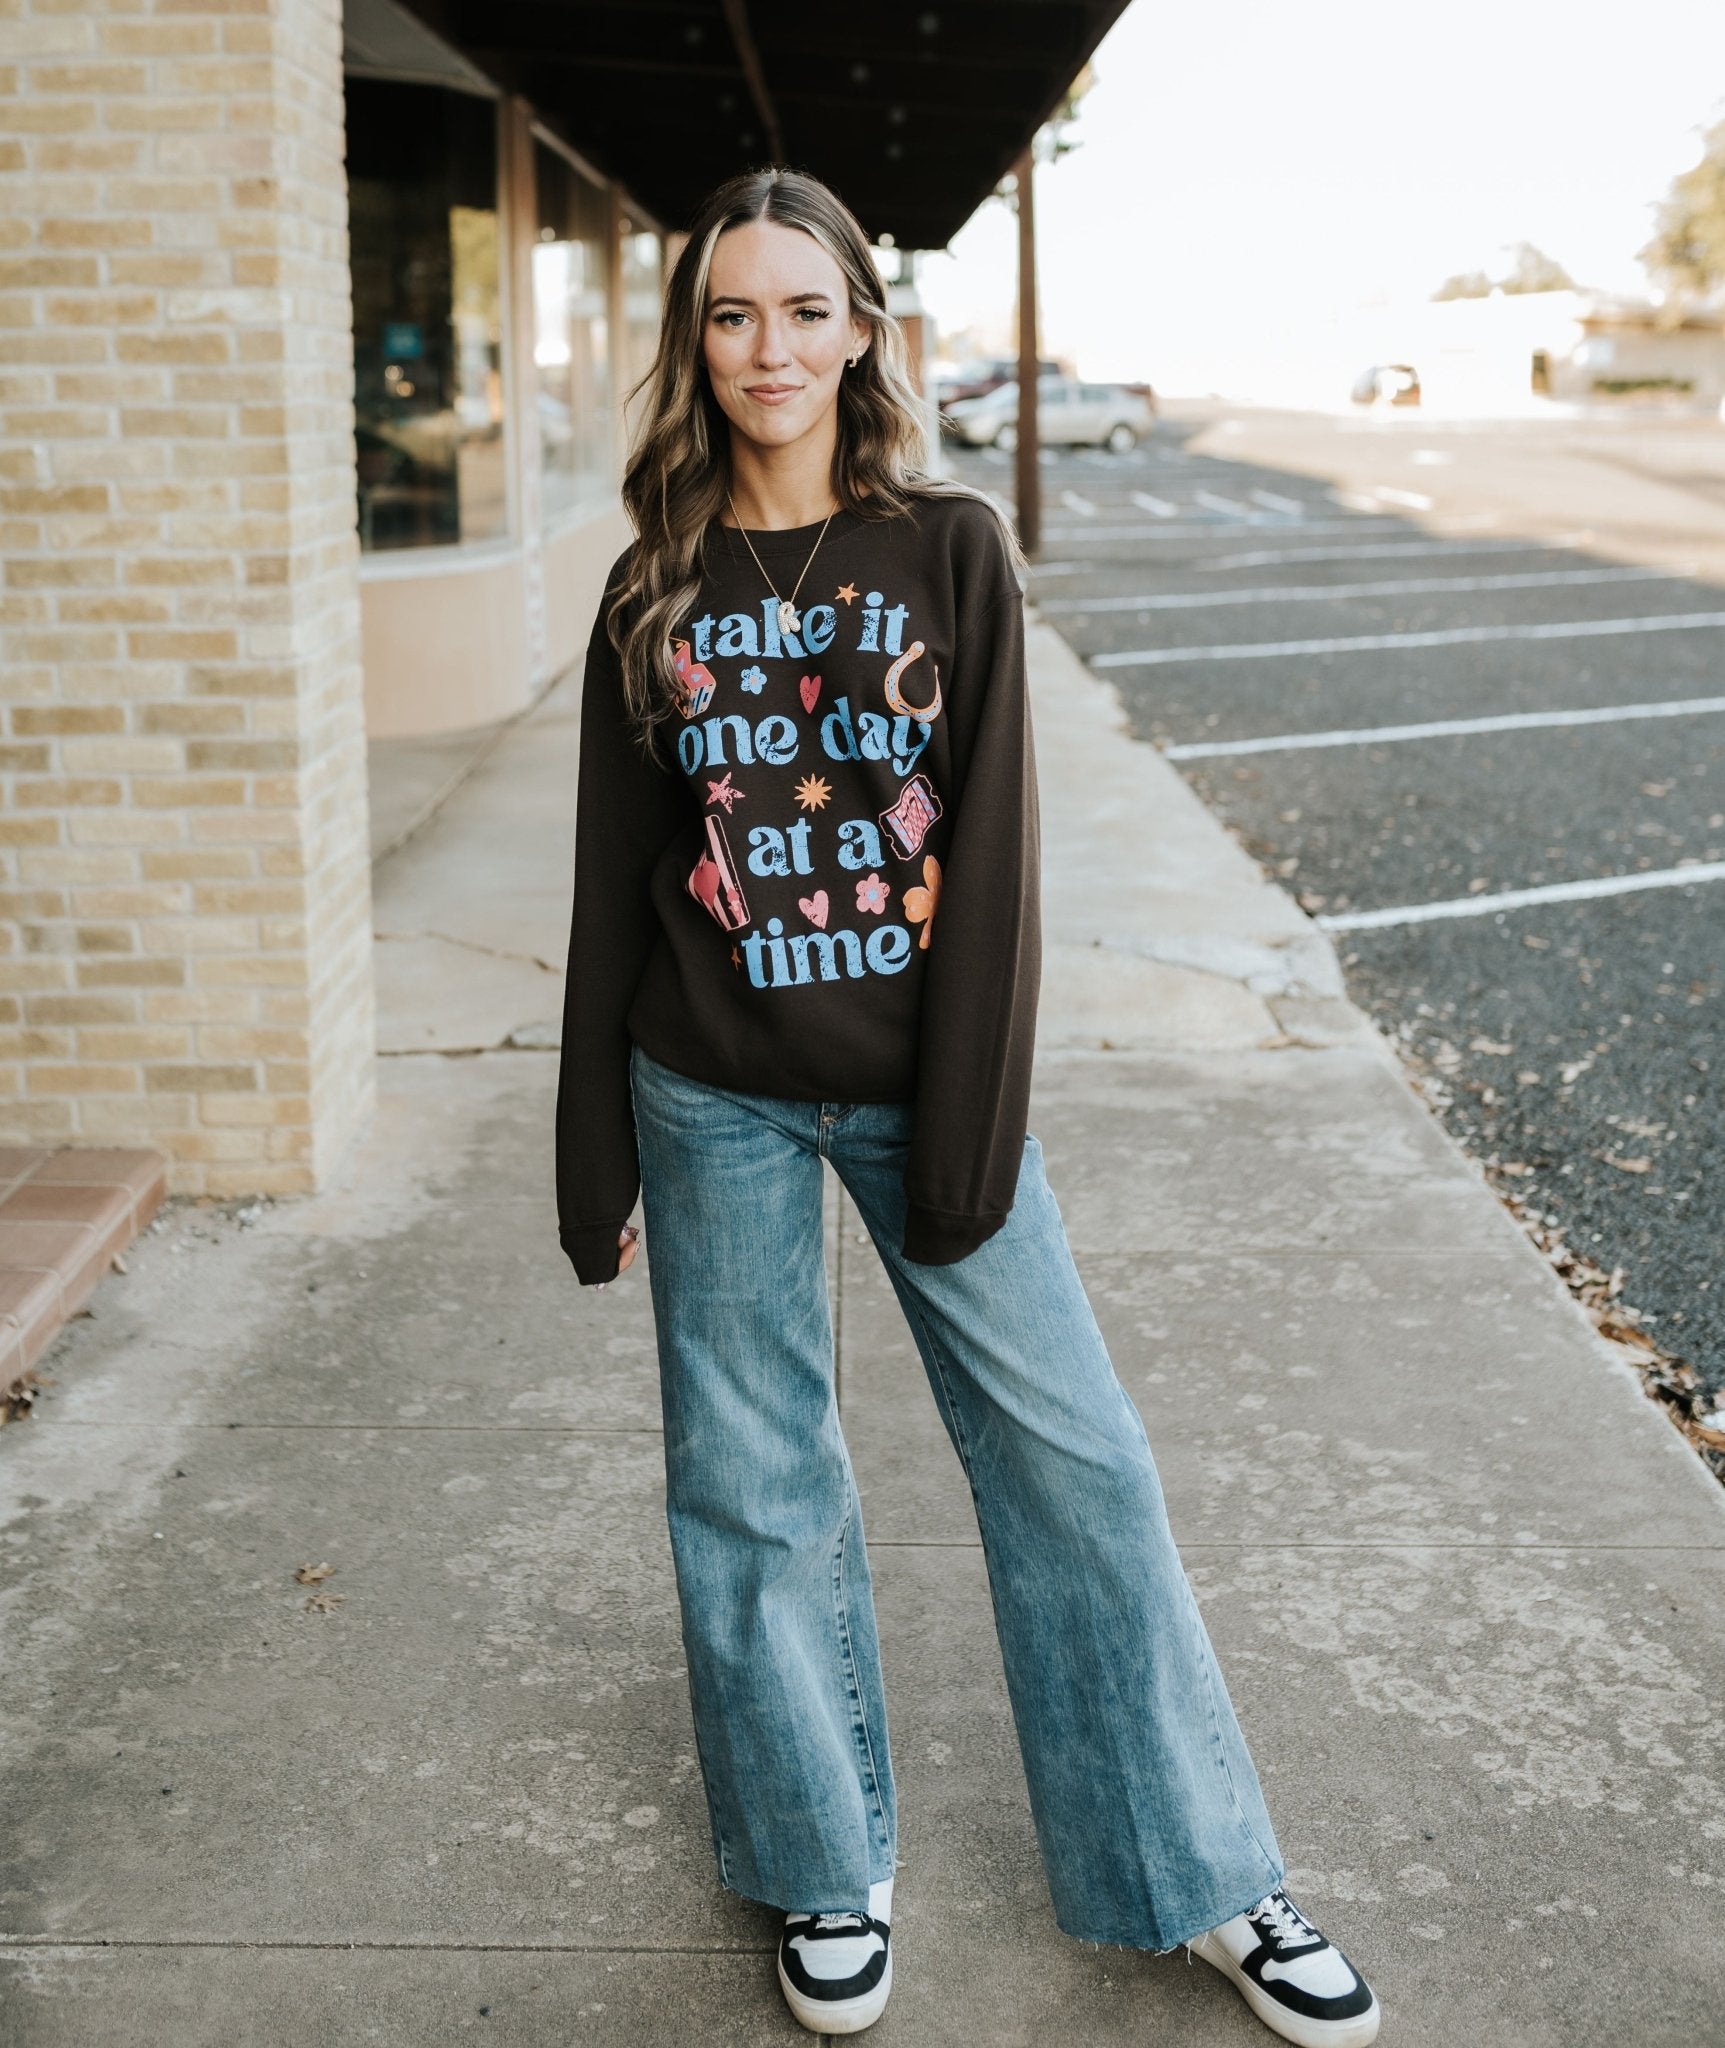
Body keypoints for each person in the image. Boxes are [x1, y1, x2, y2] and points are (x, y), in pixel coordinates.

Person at [555, 166, 1381, 2046]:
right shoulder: (652, 578)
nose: (772, 349)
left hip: (920, 1089)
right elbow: (616, 877)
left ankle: (1202, 1868)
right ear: (696, 338)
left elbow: (995, 861)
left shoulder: (947, 548)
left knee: (1079, 1470)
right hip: (708, 1097)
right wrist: (587, 1138)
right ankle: (819, 1860)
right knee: (752, 1491)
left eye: (806, 309)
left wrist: (968, 1123)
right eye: (733, 313)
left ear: (866, 327)